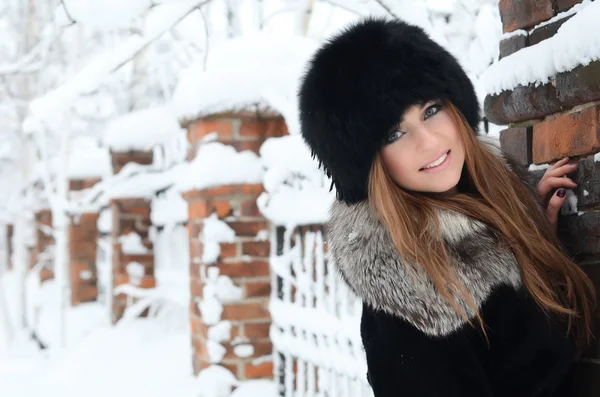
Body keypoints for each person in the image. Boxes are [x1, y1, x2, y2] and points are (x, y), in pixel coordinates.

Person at [298, 17, 596, 396]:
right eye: (394, 133)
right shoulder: (408, 305)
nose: (429, 142)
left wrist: (530, 235)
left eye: (430, 110)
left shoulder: (495, 214)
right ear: (369, 165)